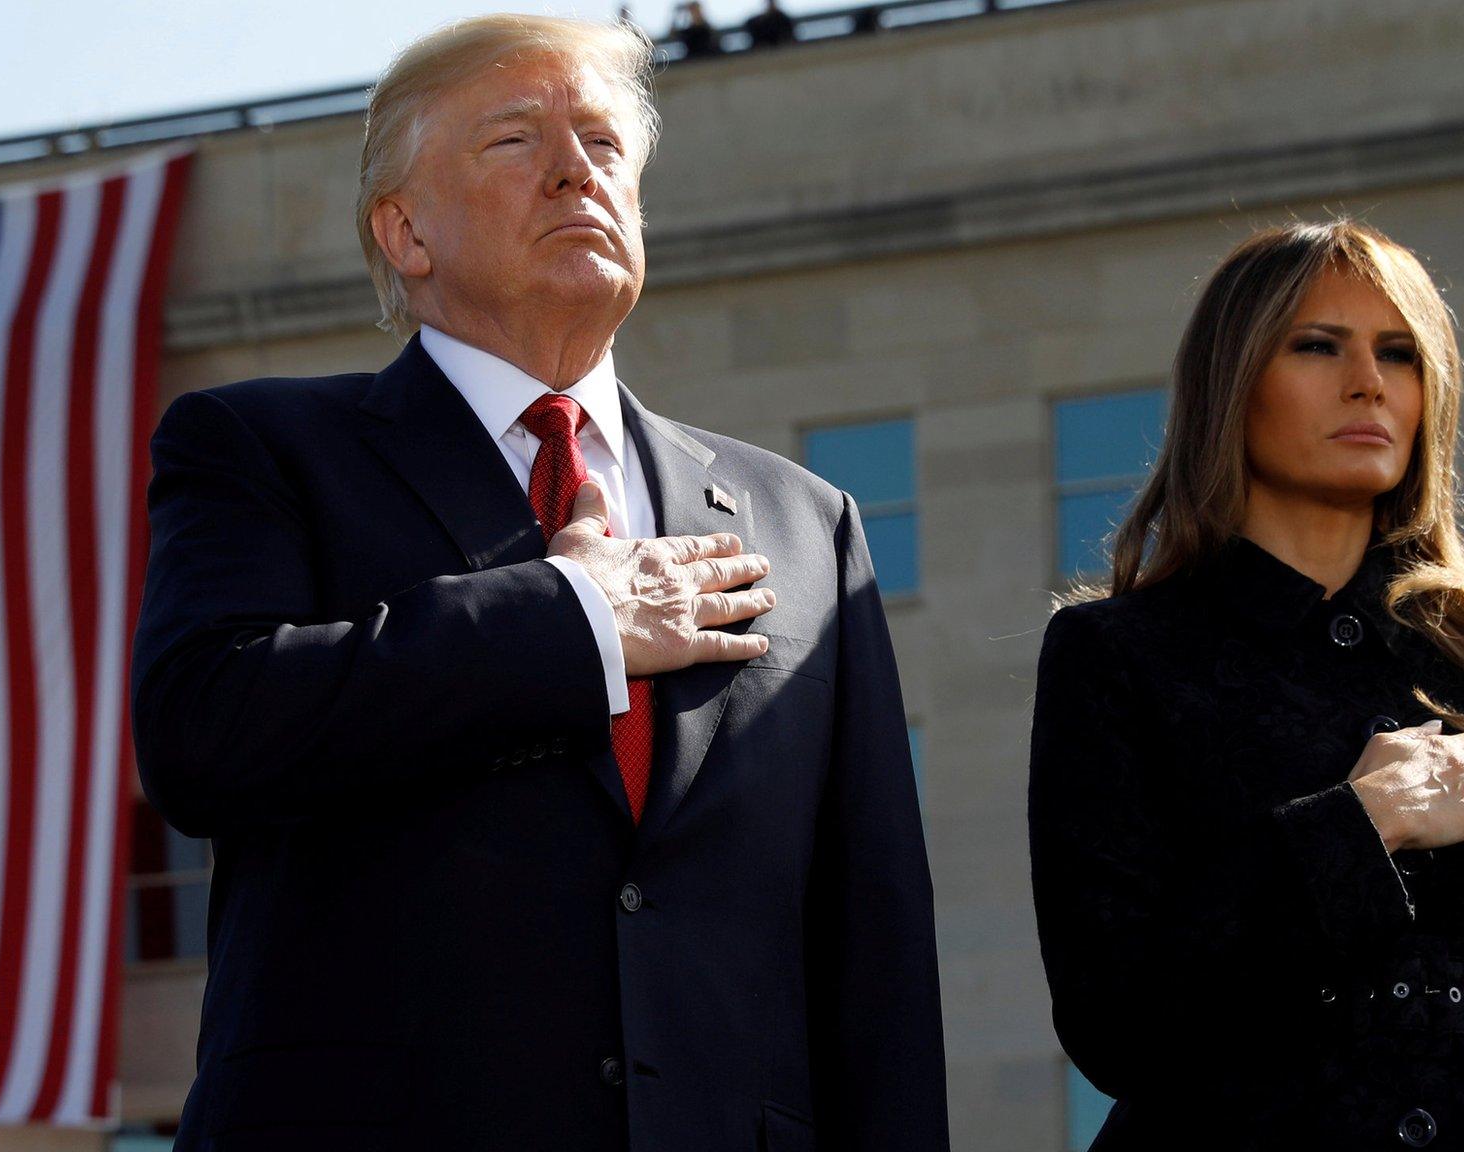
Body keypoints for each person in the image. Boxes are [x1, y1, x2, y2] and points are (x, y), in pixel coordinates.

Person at [132, 14, 948, 1151]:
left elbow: (874, 948)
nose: (576, 168)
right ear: (403, 230)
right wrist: (571, 620)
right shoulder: (262, 449)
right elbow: (203, 731)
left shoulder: (804, 522)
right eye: (516, 140)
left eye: (605, 145)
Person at [1028, 220, 1464, 1149]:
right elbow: (1114, 1021)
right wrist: (1359, 827)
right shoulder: (1118, 654)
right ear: (1234, 385)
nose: (1369, 382)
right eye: (1318, 346)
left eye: (1401, 354)